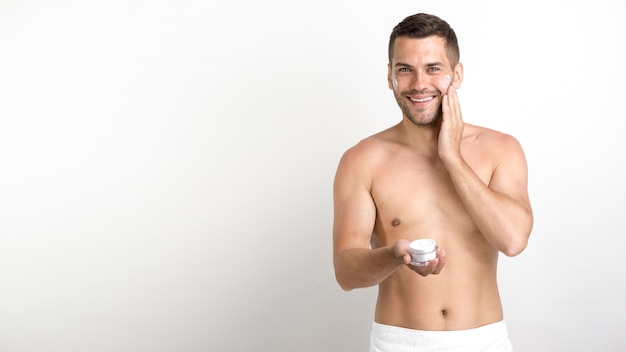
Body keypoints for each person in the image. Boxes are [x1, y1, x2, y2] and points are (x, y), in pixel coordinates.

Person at [332, 13, 533, 352]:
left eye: (433, 68)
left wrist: (452, 157)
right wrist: (394, 256)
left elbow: (513, 240)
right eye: (405, 69)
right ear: (390, 76)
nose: (418, 84)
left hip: (483, 341)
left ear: (457, 74)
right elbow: (346, 273)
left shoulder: (500, 149)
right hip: (398, 342)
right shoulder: (362, 160)